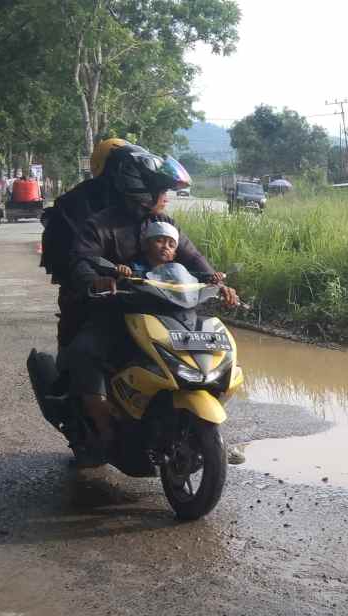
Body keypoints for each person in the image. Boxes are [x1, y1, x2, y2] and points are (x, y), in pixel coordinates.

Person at [61, 151, 238, 463]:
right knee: (85, 352)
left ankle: (208, 432)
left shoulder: (164, 226)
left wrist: (217, 283)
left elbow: (194, 259)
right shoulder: (100, 225)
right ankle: (103, 428)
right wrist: (95, 280)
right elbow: (82, 259)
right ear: (141, 192)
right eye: (162, 191)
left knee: (206, 356)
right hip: (116, 311)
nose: (167, 198)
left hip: (167, 309)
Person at [40, 138, 129, 350]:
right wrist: (87, 278)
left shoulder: (133, 200)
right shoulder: (77, 202)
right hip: (86, 289)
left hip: (131, 286)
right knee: (78, 349)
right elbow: (68, 255)